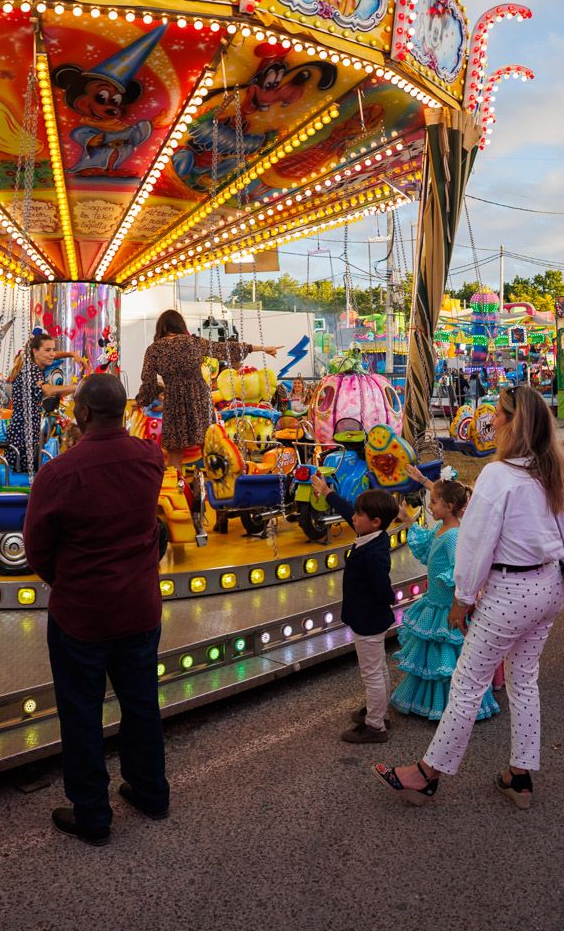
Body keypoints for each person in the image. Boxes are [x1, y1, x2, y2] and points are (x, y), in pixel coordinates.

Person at [372, 387, 564, 810]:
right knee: (524, 682)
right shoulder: (558, 472)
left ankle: (427, 774)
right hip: (549, 586)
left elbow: (476, 543)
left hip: (509, 593)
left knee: (466, 685)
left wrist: (462, 597)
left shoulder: (499, 476)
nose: (492, 421)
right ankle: (520, 776)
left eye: (499, 414)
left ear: (513, 422)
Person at [21, 373, 170, 845]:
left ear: (81, 413)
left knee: (82, 713)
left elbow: (36, 549)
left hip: (82, 614)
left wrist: (66, 581)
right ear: (124, 410)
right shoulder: (150, 458)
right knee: (142, 704)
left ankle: (93, 814)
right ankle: (151, 792)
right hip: (139, 607)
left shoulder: (59, 473)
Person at [389, 474, 498, 722]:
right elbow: (428, 551)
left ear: (449, 507)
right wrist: (406, 518)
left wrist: (458, 603)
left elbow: (458, 569)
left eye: (435, 502)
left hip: (446, 606)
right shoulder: (441, 527)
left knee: (446, 656)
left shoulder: (453, 536)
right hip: (434, 601)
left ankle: (448, 705)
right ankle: (428, 701)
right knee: (432, 655)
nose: (430, 506)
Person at [311, 478, 399, 744]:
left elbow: (382, 586)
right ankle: (379, 712)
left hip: (368, 619)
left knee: (371, 673)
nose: (354, 517)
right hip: (371, 617)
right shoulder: (371, 534)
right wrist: (327, 493)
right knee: (378, 668)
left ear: (374, 521)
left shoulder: (373, 553)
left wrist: (388, 599)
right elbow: (348, 510)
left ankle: (375, 727)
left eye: (360, 514)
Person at [134, 311, 280, 470]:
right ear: (180, 325)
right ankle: (213, 487)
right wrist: (262, 349)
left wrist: (141, 402)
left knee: (175, 452)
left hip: (174, 401)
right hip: (200, 398)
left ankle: (179, 487)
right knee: (208, 446)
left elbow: (148, 383)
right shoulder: (194, 342)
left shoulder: (154, 349)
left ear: (161, 327)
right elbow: (227, 348)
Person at [9, 334, 83, 474]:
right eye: (47, 350)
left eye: (53, 350)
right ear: (35, 351)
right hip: (23, 430)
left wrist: (72, 354)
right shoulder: (31, 371)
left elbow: (53, 356)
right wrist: (77, 386)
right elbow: (48, 390)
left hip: (32, 426)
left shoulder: (36, 364)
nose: (52, 354)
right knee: (25, 469)